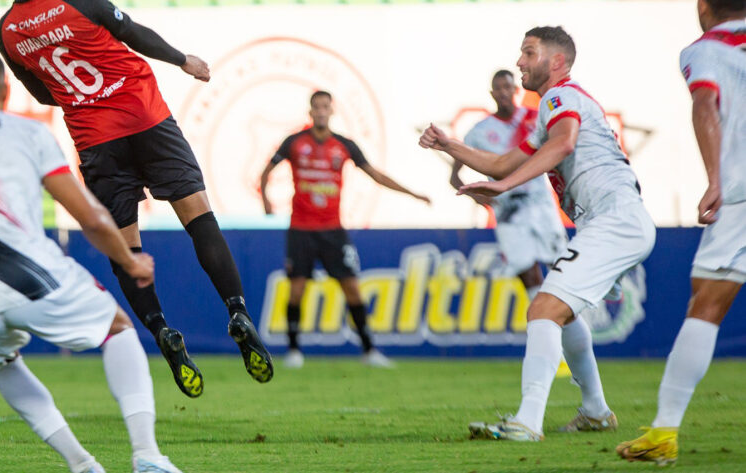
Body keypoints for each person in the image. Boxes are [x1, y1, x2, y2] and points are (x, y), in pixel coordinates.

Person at [0, 0, 273, 399]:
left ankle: (161, 330)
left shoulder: (6, 32)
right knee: (199, 219)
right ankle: (238, 310)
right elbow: (131, 31)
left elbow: (45, 92)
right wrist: (181, 58)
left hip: (96, 143)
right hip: (147, 120)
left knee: (125, 249)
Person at [0, 50, 184, 473]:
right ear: (6, 92)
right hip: (33, 279)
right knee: (117, 329)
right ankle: (147, 455)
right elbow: (92, 217)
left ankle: (82, 464)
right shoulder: (29, 133)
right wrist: (129, 260)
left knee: (3, 362)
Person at [420, 26, 655, 441]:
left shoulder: (559, 96)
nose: (520, 62)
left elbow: (563, 145)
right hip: (612, 222)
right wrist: (448, 145)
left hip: (614, 221)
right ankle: (596, 411)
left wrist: (504, 187)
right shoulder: (553, 106)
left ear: (557, 61)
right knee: (560, 313)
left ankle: (527, 421)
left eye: (529, 52)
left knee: (542, 309)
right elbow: (503, 162)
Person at [616, 0, 746, 466]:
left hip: (739, 195)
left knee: (706, 306)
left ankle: (665, 432)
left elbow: (705, 105)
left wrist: (714, 179)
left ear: (702, 6)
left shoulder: (704, 49)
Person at [259, 90, 430, 369]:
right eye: (316, 107)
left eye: (325, 106)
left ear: (332, 110)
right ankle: (293, 351)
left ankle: (369, 350)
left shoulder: (344, 145)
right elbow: (265, 172)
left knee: (351, 287)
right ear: (310, 111)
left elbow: (375, 174)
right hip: (301, 229)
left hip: (333, 231)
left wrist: (412, 194)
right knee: (296, 289)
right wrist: (266, 201)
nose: (321, 111)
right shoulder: (294, 142)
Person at [451, 70, 567, 300]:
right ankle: (544, 321)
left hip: (540, 204)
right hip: (509, 210)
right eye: (498, 88)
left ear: (516, 90)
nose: (503, 93)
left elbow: (562, 147)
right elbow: (454, 176)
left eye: (507, 87)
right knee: (529, 276)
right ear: (492, 93)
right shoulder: (479, 132)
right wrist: (479, 198)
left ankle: (567, 327)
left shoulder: (536, 118)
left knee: (562, 270)